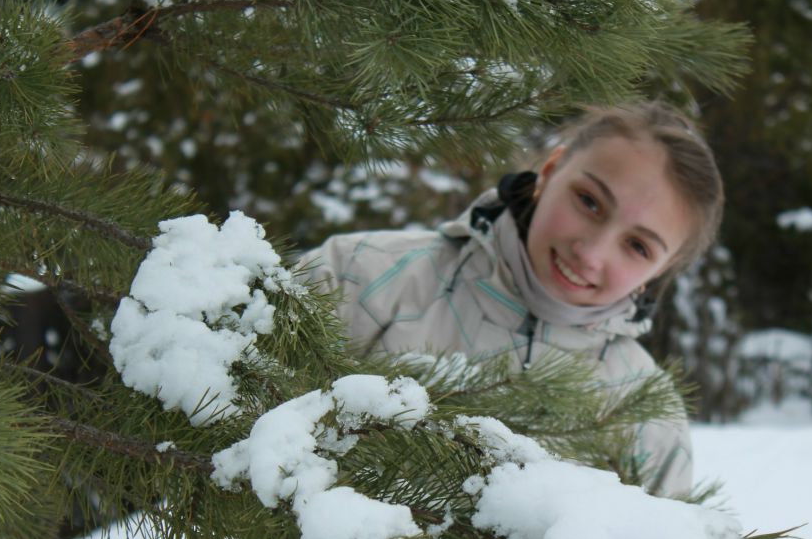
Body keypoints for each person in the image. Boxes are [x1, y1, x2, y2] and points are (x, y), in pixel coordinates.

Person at [298, 101, 724, 498]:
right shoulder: (357, 275)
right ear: (551, 171)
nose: (591, 253)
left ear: (658, 272)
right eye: (589, 202)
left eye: (637, 246)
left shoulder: (645, 412)